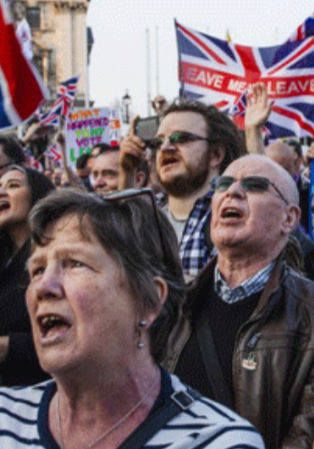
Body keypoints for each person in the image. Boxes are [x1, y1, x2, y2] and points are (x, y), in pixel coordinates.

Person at [2, 189, 265, 448]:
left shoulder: (218, 441)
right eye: (37, 270)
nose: (42, 287)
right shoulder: (6, 417)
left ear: (147, 300)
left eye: (75, 263)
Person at [164, 154, 314, 448]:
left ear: (289, 218)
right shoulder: (172, 304)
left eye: (254, 185)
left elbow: (308, 436)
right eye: (222, 184)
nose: (232, 192)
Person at [119, 98, 246, 279]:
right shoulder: (147, 214)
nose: (165, 147)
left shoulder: (235, 215)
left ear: (216, 154)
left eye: (181, 138)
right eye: (158, 141)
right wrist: (127, 172)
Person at [0, 166, 54, 386]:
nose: (2, 192)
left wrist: (7, 347)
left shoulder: (53, 255)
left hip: (37, 393)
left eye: (13, 185)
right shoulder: (4, 257)